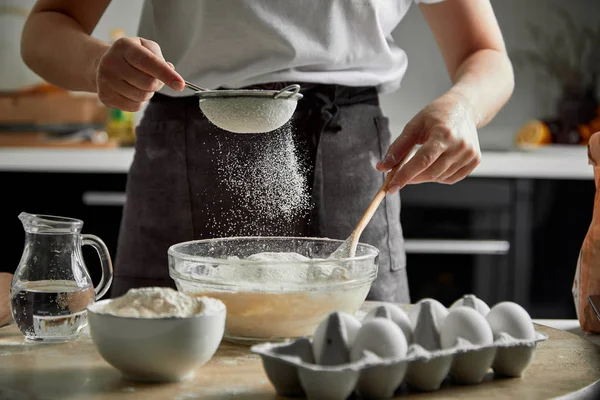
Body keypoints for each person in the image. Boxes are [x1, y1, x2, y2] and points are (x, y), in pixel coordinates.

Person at [21, 0, 514, 303]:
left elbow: (486, 55)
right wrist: (96, 66)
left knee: (362, 359)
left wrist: (463, 106)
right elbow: (47, 25)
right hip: (182, 151)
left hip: (351, 156)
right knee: (162, 354)